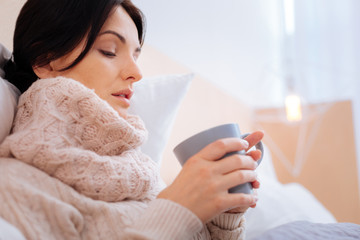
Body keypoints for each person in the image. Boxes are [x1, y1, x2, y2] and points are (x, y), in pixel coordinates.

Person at [0, 0, 263, 239]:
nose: (136, 73)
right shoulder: (15, 185)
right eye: (109, 51)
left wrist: (225, 213)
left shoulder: (142, 174)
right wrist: (177, 210)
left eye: (136, 55)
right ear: (45, 61)